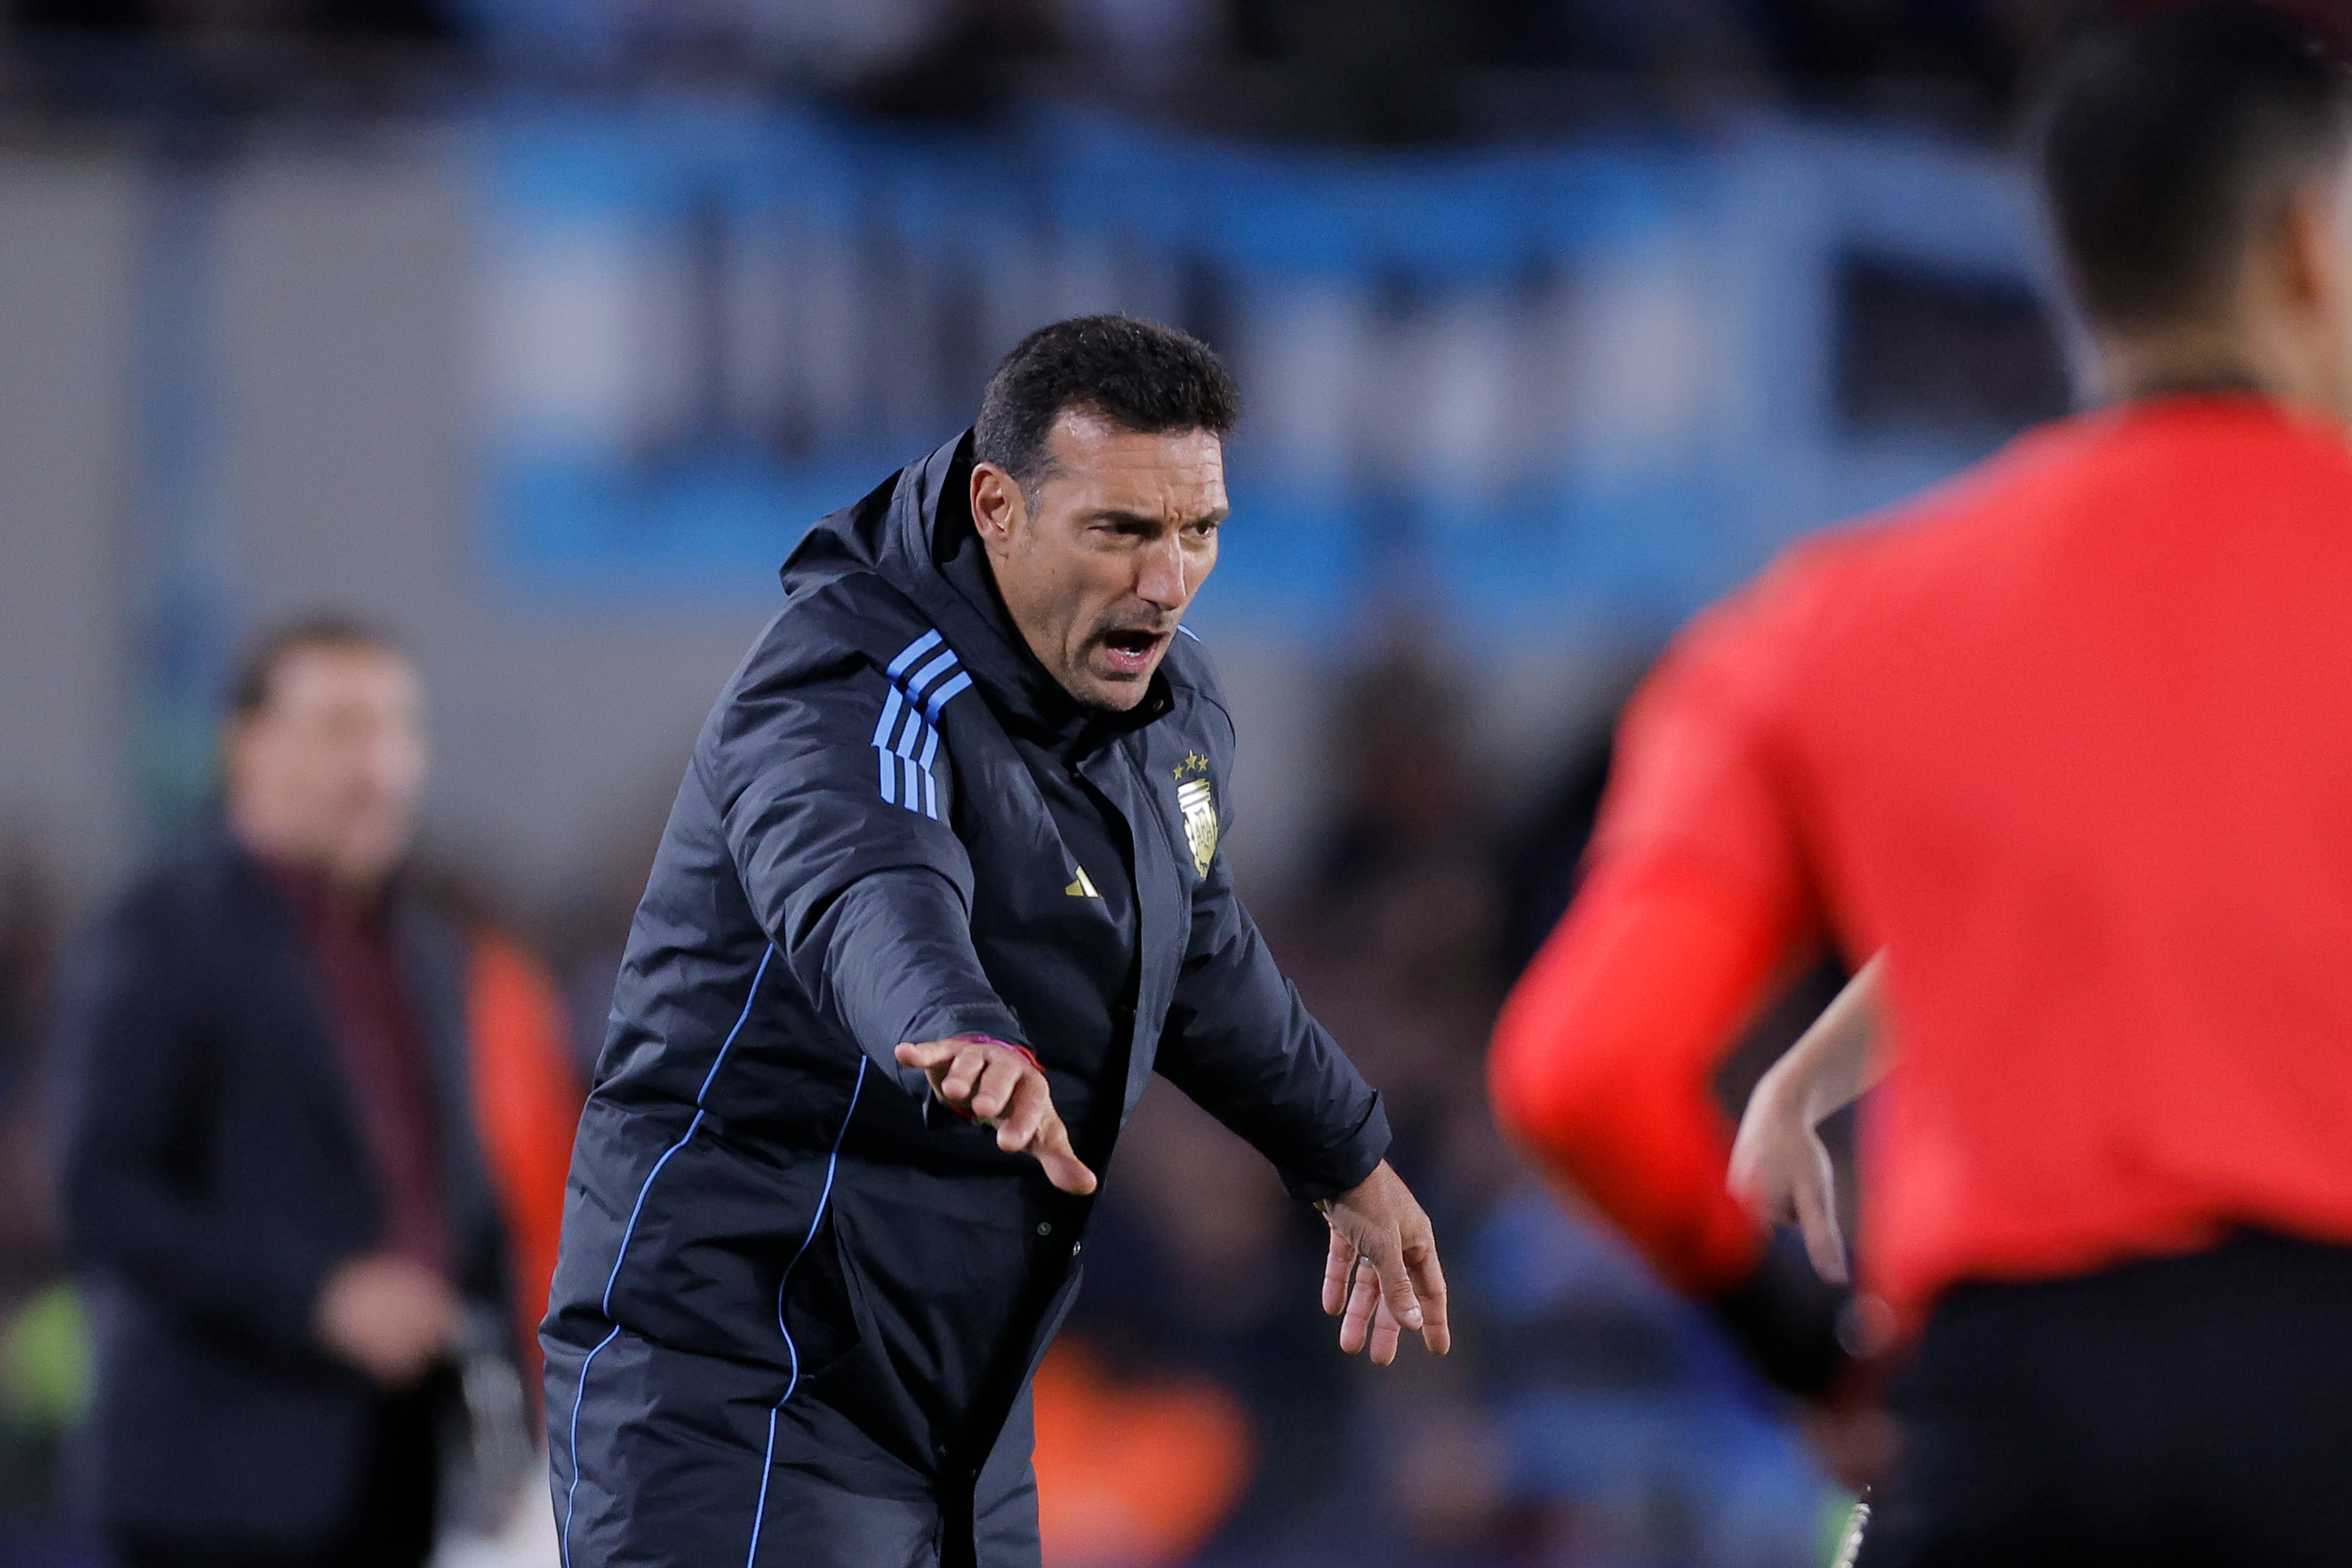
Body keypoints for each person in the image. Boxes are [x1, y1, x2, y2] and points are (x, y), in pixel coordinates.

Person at [1488, 5, 2352, 1563]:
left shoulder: (1837, 623)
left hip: (1995, 1431)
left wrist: (1808, 1351)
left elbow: (1578, 1069)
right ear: (2302, 248)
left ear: (2076, 281)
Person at [546, 314, 1449, 1568]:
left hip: (961, 1398)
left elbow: (1194, 951)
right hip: (743, 1382)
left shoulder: (1164, 705)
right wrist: (955, 1024)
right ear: (997, 507)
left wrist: (1344, 1154)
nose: (1166, 579)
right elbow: (866, 882)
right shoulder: (846, 685)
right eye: (1122, 532)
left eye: (1198, 532)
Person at [51, 619, 514, 1568]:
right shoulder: (164, 930)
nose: (377, 764)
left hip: (397, 1477)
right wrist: (318, 1296)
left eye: (397, 729)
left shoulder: (430, 952)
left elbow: (454, 1191)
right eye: (340, 727)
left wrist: (502, 1391)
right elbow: (97, 1190)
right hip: (217, 1488)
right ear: (245, 746)